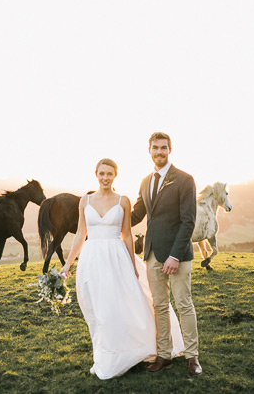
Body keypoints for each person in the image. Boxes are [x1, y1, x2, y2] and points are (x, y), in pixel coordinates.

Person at [60, 158, 184, 380]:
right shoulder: (85, 201)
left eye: (109, 174)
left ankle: (125, 352)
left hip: (116, 257)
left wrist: (131, 263)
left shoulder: (123, 201)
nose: (105, 177)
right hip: (92, 259)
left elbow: (126, 234)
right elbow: (80, 234)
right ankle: (105, 353)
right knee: (97, 308)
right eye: (102, 173)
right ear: (95, 174)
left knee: (117, 306)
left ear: (115, 175)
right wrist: (67, 264)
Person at [131, 131, 202, 375]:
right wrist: (105, 212)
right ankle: (164, 355)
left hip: (178, 254)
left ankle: (192, 357)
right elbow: (136, 215)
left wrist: (174, 255)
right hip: (151, 253)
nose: (159, 152)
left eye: (163, 148)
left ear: (170, 150)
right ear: (149, 151)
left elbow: (188, 221)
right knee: (159, 305)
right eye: (155, 148)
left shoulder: (184, 180)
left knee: (183, 304)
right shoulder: (145, 181)